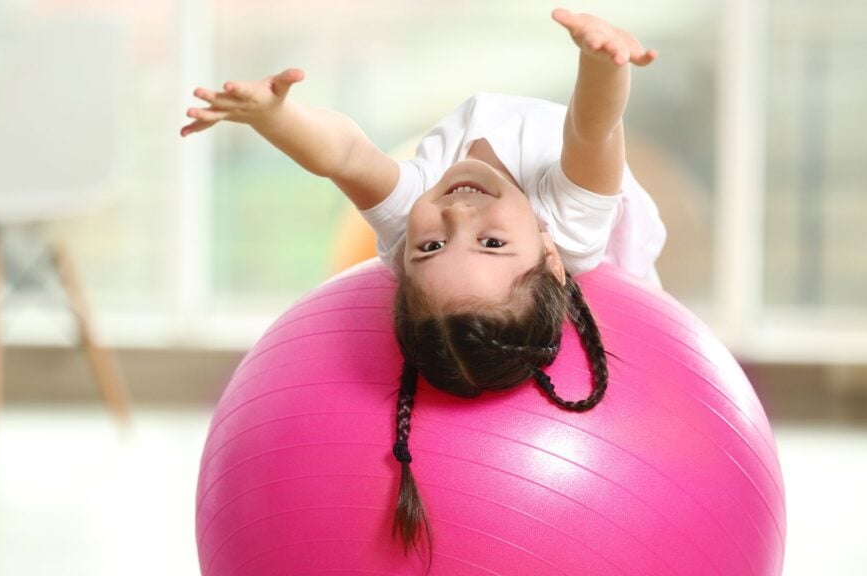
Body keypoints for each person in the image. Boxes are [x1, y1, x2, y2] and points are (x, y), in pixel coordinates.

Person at [182, 7, 665, 555]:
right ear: (550, 257)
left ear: (401, 265)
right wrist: (601, 64)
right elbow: (592, 129)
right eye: (492, 243)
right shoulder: (570, 222)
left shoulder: (410, 219)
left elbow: (345, 155)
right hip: (631, 277)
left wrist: (274, 119)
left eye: (431, 248)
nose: (458, 217)